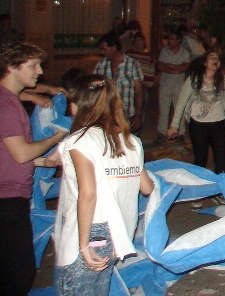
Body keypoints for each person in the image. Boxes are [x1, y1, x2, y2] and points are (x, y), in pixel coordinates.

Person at [52, 75, 154, 295]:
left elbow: (88, 194)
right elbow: (147, 187)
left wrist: (83, 245)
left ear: (78, 105)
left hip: (89, 229)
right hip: (119, 230)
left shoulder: (80, 141)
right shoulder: (131, 141)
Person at [0, 41, 68, 295]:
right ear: (11, 67)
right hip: (7, 198)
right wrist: (57, 137)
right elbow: (21, 153)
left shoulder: (8, 99)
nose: (39, 71)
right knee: (20, 272)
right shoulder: (6, 106)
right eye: (33, 65)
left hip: (9, 195)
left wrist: (43, 162)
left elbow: (8, 152)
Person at [167, 49, 225, 207]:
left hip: (218, 123)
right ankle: (199, 193)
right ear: (205, 62)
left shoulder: (224, 80)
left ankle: (219, 192)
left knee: (221, 159)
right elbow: (182, 102)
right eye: (211, 57)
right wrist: (174, 125)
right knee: (200, 159)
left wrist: (224, 116)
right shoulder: (194, 79)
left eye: (217, 58)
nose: (215, 60)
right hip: (198, 125)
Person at [94, 33, 144, 133]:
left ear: (114, 47)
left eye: (105, 49)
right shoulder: (101, 65)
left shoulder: (132, 64)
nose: (102, 52)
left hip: (126, 114)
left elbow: (139, 92)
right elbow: (95, 90)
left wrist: (138, 116)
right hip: (106, 114)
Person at [156, 31, 190, 143]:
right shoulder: (164, 51)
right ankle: (162, 132)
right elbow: (160, 66)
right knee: (163, 110)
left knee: (179, 109)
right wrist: (175, 69)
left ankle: (180, 133)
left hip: (179, 86)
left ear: (179, 41)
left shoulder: (184, 52)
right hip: (165, 84)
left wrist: (169, 66)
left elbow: (185, 67)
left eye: (173, 39)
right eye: (169, 38)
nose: (170, 41)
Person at [126, 33, 156, 126]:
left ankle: (138, 127)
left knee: (141, 107)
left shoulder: (149, 56)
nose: (138, 42)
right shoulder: (129, 54)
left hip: (143, 86)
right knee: (129, 107)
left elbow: (151, 70)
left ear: (144, 42)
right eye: (136, 40)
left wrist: (149, 83)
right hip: (130, 86)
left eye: (140, 40)